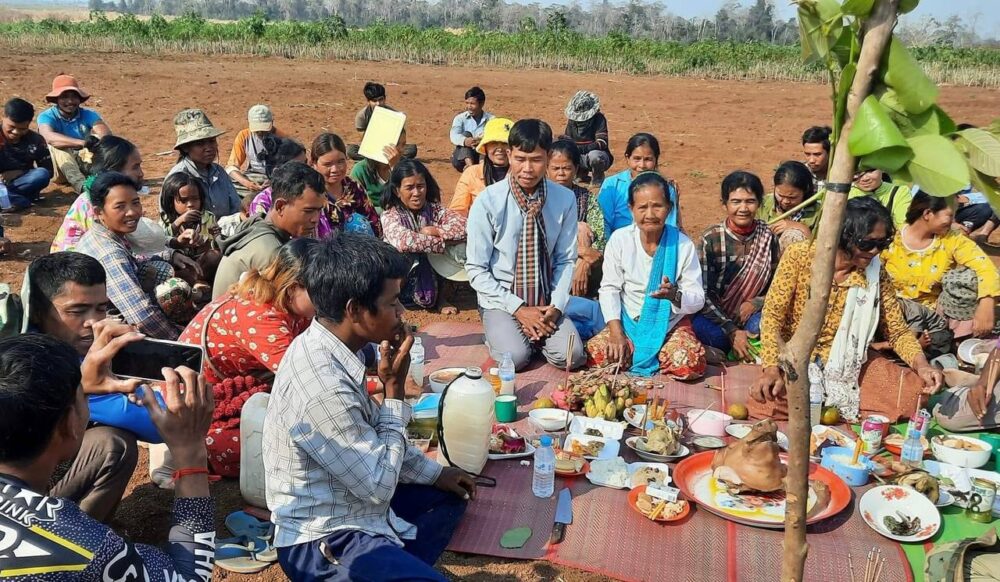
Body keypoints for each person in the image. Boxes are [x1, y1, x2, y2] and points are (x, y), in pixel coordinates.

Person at [263, 233, 474, 581]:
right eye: (393, 303)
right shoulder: (324, 384)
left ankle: (394, 567)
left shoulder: (334, 346)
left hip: (358, 505)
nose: (402, 313)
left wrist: (438, 474)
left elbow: (373, 436)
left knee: (447, 496)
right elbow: (378, 486)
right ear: (356, 310)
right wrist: (394, 393)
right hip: (323, 538)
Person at [0, 331, 216, 581]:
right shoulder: (84, 547)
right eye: (85, 397)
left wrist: (82, 386)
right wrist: (190, 452)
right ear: (70, 423)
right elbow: (190, 577)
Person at [750, 197, 944, 423]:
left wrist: (922, 366)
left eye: (881, 244)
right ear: (844, 237)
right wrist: (772, 369)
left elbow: (897, 330)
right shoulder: (800, 256)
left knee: (913, 396)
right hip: (796, 358)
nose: (874, 251)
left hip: (847, 363)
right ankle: (830, 406)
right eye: (866, 243)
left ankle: (827, 406)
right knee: (765, 401)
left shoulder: (875, 272)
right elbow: (772, 316)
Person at [173, 239, 316, 478]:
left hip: (234, 388)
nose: (329, 300)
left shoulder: (286, 303)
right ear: (294, 287)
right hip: (197, 405)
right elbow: (305, 379)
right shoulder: (262, 316)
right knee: (282, 444)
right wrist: (378, 384)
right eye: (323, 291)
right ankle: (186, 450)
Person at [25, 255, 146, 523]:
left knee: (110, 443)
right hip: (12, 500)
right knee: (113, 444)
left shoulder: (82, 352)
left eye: (101, 308)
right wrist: (79, 387)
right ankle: (60, 547)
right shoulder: (20, 359)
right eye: (77, 311)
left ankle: (84, 539)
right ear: (37, 311)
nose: (92, 323)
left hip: (36, 486)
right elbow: (152, 424)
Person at [466, 119, 586, 371]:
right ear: (509, 155)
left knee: (571, 356)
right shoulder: (488, 201)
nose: (527, 168)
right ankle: (500, 334)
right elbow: (476, 270)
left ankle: (532, 333)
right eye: (520, 159)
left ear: (548, 157)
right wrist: (518, 309)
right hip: (501, 299)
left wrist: (556, 306)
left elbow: (565, 260)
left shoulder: (564, 199)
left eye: (536, 159)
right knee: (516, 358)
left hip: (544, 300)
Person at [587, 172, 706, 379]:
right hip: (628, 323)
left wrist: (674, 296)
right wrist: (616, 332)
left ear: (668, 209)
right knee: (595, 355)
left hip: (669, 325)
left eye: (657, 206)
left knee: (689, 364)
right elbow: (609, 289)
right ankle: (652, 354)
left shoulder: (683, 245)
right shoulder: (620, 240)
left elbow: (697, 298)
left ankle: (652, 352)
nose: (650, 214)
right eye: (642, 207)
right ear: (631, 209)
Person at [76, 172, 201, 338]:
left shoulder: (105, 231)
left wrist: (170, 255)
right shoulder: (110, 253)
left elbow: (142, 254)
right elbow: (141, 314)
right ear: (99, 212)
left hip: (106, 310)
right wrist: (181, 341)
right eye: (120, 206)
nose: (132, 212)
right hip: (105, 326)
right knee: (174, 289)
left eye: (135, 203)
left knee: (160, 268)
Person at [882, 192, 999, 356]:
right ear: (928, 214)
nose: (953, 222)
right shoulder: (890, 238)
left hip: (931, 317)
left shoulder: (952, 240)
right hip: (889, 311)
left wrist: (986, 304)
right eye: (950, 216)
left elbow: (985, 268)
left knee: (967, 280)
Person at [692, 171, 780, 361]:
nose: (743, 208)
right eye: (736, 201)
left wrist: (754, 303)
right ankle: (732, 348)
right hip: (716, 317)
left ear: (759, 204)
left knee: (764, 328)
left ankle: (734, 352)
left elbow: (778, 286)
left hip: (751, 316)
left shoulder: (767, 237)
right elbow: (702, 294)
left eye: (750, 201)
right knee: (708, 333)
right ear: (724, 203)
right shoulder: (711, 239)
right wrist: (731, 329)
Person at [214, 161, 326, 298]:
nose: (316, 219)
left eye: (319, 211)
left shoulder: (258, 226)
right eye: (308, 211)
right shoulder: (270, 253)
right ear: (280, 207)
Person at [381, 159, 467, 312]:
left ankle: (441, 298)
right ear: (397, 191)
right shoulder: (389, 215)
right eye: (409, 188)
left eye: (420, 186)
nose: (416, 193)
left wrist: (435, 231)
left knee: (459, 247)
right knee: (404, 256)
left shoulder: (434, 209)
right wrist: (443, 243)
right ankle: (394, 301)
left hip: (433, 270)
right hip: (403, 277)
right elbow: (404, 241)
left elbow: (464, 225)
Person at [51, 135, 146, 252]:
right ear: (113, 171)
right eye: (135, 167)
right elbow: (109, 250)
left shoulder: (108, 197)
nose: (141, 173)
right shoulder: (96, 202)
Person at [548, 140, 605, 298]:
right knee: (580, 228)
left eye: (566, 168)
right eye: (555, 168)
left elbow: (599, 240)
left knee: (584, 230)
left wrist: (584, 261)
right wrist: (581, 252)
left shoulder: (586, 198)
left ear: (576, 169)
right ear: (546, 169)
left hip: (581, 262)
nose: (561, 173)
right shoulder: (540, 197)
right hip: (550, 258)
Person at [37, 74, 111, 193]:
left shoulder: (88, 114)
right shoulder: (46, 116)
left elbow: (105, 134)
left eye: (74, 97)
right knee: (57, 147)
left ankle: (104, 176)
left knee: (101, 140)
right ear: (56, 99)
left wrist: (96, 140)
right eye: (64, 97)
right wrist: (83, 143)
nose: (70, 101)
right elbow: (48, 136)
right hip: (60, 169)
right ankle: (82, 187)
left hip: (83, 162)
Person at [598, 133, 678, 240]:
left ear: (656, 159)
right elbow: (603, 223)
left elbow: (670, 225)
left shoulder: (667, 189)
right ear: (627, 158)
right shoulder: (612, 184)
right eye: (637, 158)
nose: (642, 165)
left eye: (648, 159)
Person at [166, 108, 241, 218]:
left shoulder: (219, 172)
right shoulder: (177, 177)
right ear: (185, 147)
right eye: (200, 143)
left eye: (212, 141)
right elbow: (168, 222)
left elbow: (236, 208)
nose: (209, 148)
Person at [159, 172, 223, 293]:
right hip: (179, 264)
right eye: (183, 201)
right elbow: (160, 240)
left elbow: (213, 246)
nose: (190, 205)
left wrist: (215, 237)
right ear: (171, 201)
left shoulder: (208, 217)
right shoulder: (166, 219)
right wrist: (178, 222)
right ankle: (197, 283)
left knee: (214, 256)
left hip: (201, 264)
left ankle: (196, 281)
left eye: (195, 199)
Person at [310, 133, 381, 236]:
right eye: (327, 164)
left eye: (340, 162)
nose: (335, 169)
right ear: (314, 164)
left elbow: (374, 223)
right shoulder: (310, 194)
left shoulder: (354, 188)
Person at [450, 117, 512, 216]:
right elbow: (457, 211)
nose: (500, 149)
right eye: (494, 143)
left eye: (505, 143)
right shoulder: (472, 173)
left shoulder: (522, 175)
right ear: (485, 147)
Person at [0, 97, 53, 210]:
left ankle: (9, 200)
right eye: (12, 127)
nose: (16, 132)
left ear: (29, 123)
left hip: (21, 182)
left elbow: (49, 171)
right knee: (22, 201)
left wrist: (18, 173)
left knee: (41, 174)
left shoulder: (36, 140)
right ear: (3, 117)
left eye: (23, 128)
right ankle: (14, 200)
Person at [757, 160, 819, 251]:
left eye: (792, 197)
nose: (785, 201)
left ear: (806, 191)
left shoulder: (819, 212)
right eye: (780, 195)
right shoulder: (762, 204)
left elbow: (819, 249)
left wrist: (801, 228)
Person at [226, 104, 285, 197]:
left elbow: (290, 168)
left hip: (277, 178)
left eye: (264, 130)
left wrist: (273, 180)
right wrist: (247, 183)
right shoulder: (244, 136)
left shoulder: (283, 138)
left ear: (272, 123)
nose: (261, 133)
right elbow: (231, 168)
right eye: (257, 130)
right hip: (253, 177)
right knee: (226, 185)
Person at [351, 82, 418, 160]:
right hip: (372, 147)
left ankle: (378, 159)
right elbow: (364, 138)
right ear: (368, 101)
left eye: (381, 99)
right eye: (374, 101)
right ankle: (390, 159)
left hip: (390, 148)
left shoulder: (394, 115)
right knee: (351, 150)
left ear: (385, 98)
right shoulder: (362, 116)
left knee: (411, 149)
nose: (378, 103)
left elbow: (401, 137)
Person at [559, 90, 612, 185]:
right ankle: (580, 173)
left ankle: (598, 177)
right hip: (579, 156)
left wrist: (578, 148)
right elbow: (568, 141)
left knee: (595, 156)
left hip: (597, 155)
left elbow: (602, 143)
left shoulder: (599, 119)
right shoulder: (572, 122)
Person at [350, 128, 409, 213]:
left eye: (404, 145)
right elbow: (356, 205)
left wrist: (395, 168)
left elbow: (409, 197)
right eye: (396, 145)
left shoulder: (407, 166)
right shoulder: (360, 170)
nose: (401, 150)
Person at [849, 167, 913, 228]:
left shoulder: (899, 192)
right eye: (857, 172)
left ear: (882, 168)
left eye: (870, 170)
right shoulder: (844, 195)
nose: (865, 178)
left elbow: (904, 225)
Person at [449, 86, 494, 172]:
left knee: (486, 141)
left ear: (482, 104)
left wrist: (481, 141)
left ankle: (481, 165)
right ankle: (469, 166)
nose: (469, 107)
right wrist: (465, 141)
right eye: (467, 103)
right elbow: (454, 136)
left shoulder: (491, 119)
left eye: (472, 104)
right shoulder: (460, 118)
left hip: (484, 157)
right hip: (461, 158)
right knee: (466, 134)